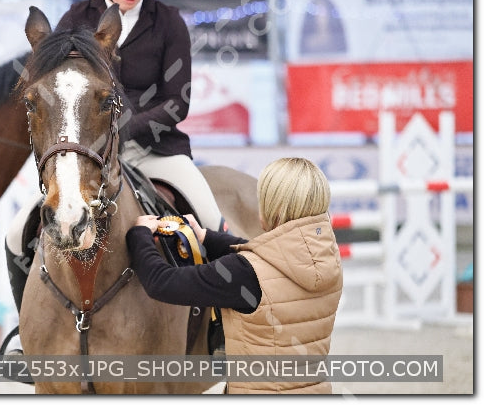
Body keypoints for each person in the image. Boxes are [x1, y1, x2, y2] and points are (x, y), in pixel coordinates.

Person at [4, 0, 224, 316]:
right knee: (16, 233)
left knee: (209, 217)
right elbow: (60, 89)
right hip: (88, 155)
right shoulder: (76, 19)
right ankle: (27, 331)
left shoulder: (170, 24)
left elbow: (178, 103)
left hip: (158, 152)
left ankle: (218, 325)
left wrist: (124, 128)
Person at [126, 157, 343, 394]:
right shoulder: (327, 258)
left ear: (274, 208)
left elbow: (161, 282)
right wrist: (205, 237)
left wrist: (139, 236)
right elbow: (270, 255)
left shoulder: (244, 273)